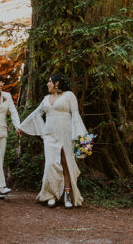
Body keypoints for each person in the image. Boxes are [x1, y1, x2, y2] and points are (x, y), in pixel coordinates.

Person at [17, 73, 88, 208]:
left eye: (50, 81)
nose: (48, 84)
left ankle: (67, 195)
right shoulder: (45, 99)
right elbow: (36, 114)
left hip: (65, 134)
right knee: (51, 164)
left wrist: (80, 135)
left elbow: (76, 115)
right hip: (49, 135)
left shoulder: (69, 96)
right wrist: (22, 127)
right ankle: (51, 195)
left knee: (65, 163)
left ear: (57, 83)